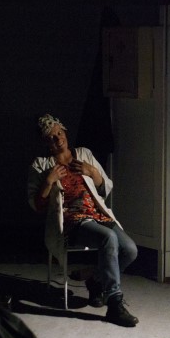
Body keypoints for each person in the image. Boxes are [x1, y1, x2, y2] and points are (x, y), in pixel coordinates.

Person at [27, 113, 139, 327]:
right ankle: (114, 303)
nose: (58, 139)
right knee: (109, 238)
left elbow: (105, 187)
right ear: (45, 142)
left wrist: (92, 171)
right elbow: (38, 206)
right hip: (73, 220)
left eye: (59, 133)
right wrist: (49, 181)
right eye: (51, 137)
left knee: (130, 250)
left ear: (65, 133)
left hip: (98, 214)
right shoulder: (40, 165)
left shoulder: (84, 154)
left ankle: (95, 280)